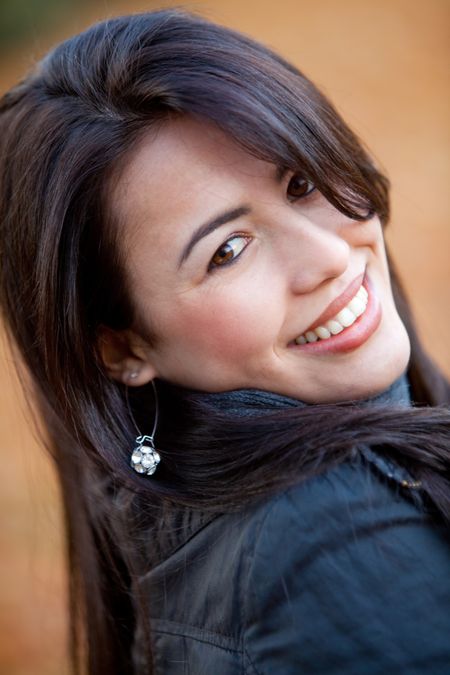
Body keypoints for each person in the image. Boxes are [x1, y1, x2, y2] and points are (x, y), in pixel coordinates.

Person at [0, 9, 449, 675]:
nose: (327, 253)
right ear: (122, 348)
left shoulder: (198, 516)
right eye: (228, 251)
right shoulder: (334, 552)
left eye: (301, 181)